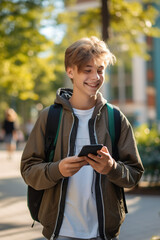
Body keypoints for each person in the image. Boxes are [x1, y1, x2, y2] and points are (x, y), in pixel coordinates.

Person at [21, 36, 144, 240]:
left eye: (100, 70)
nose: (95, 77)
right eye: (87, 70)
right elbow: (28, 170)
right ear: (70, 71)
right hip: (61, 231)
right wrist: (57, 169)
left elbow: (135, 173)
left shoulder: (115, 118)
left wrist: (111, 168)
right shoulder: (49, 118)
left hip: (104, 232)